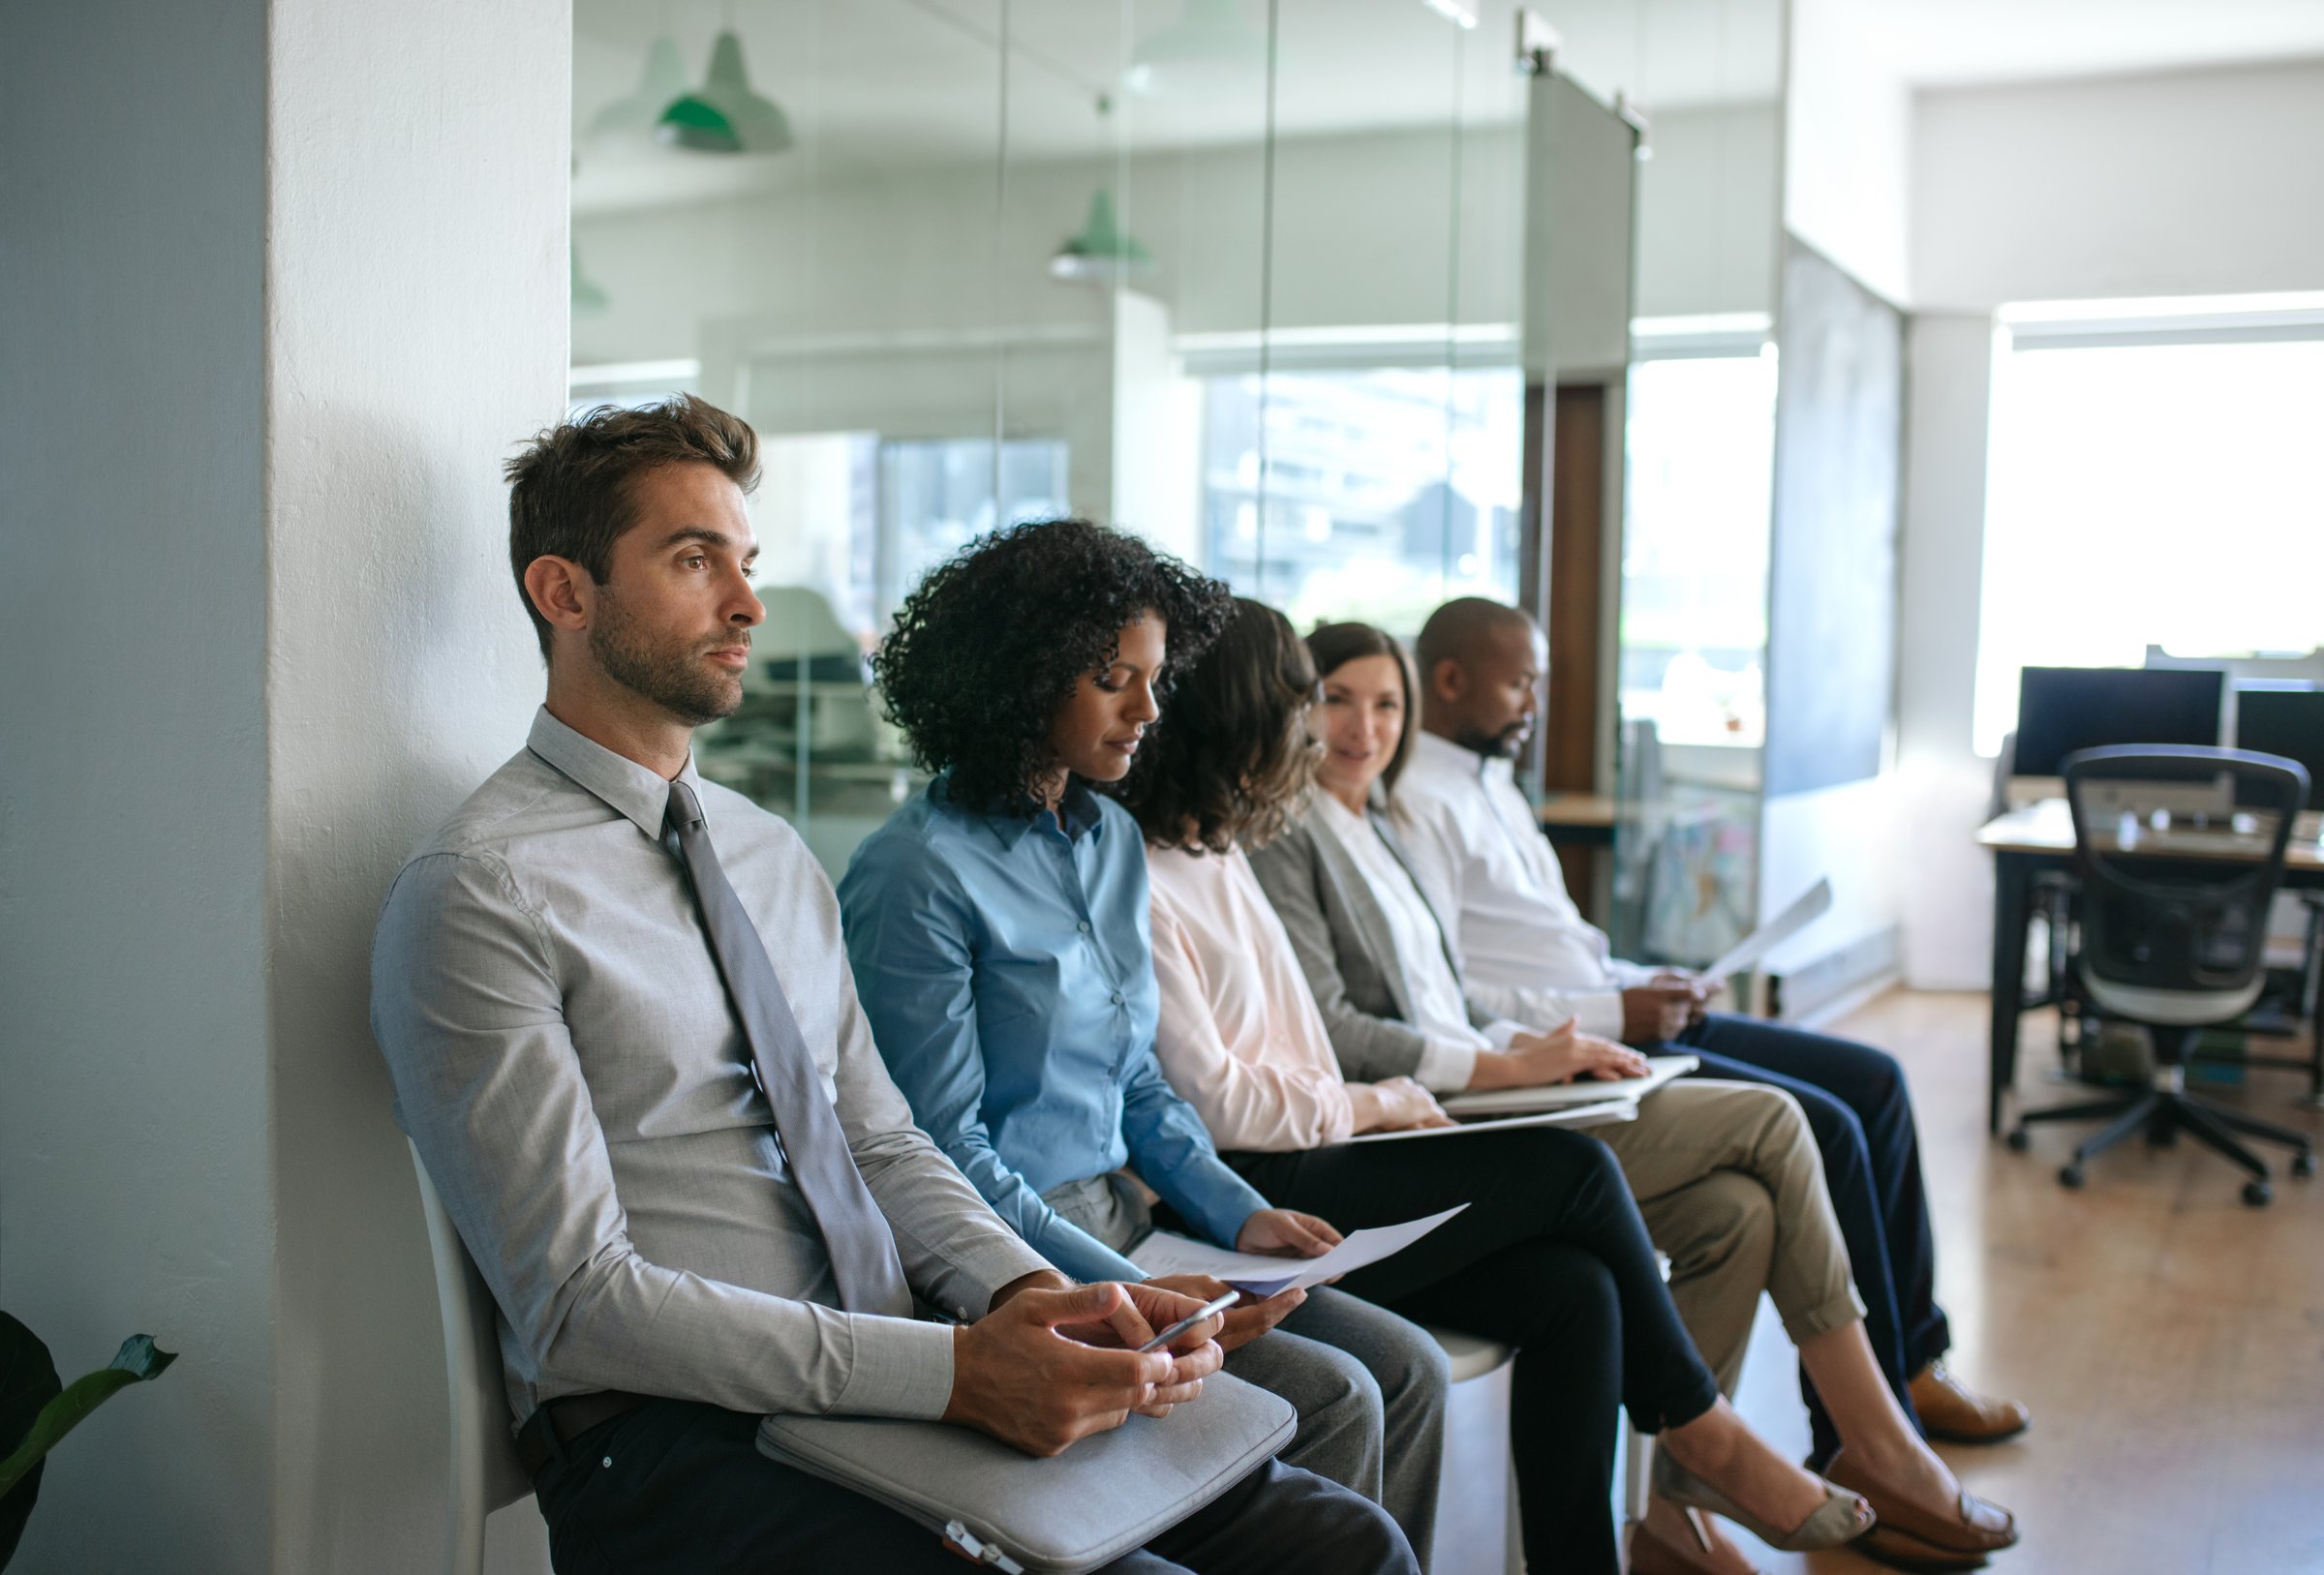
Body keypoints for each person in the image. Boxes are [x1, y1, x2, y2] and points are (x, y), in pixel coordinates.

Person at [369, 398, 1418, 1575]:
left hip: (891, 1367)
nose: (749, 605)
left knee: (1345, 1543)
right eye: (693, 559)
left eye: (747, 562)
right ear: (564, 593)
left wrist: (1035, 1294)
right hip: (672, 1442)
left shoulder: (766, 854)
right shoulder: (479, 891)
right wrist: (957, 1373)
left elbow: (881, 1138)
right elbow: (582, 1306)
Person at [1119, 596, 1895, 1575]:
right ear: (1245, 716)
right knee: (1578, 1172)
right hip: (1262, 1185)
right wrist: (1381, 1101)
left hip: (1331, 1138)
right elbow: (1222, 1103)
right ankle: (1704, 1433)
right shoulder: (1143, 872)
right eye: (1307, 702)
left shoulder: (1223, 849)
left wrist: (1436, 1082)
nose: (1324, 731)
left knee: (1581, 1293)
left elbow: (1308, 1040)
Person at [839, 519, 1451, 1565]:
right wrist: (1131, 1290)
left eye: (1156, 678)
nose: (1149, 710)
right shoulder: (916, 873)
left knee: (1409, 1367)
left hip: (1135, 1221)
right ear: (1024, 680)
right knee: (1341, 1396)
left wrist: (1240, 1213)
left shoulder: (1112, 840)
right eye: (1116, 678)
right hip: (1018, 1260)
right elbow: (941, 1153)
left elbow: (1134, 1079)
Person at [1391, 596, 2031, 1471]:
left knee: (1874, 1080)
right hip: (1580, 1044)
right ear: (1452, 680)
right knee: (1827, 1125)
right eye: (1520, 684)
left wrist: (1643, 978)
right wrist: (1622, 1012)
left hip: (1615, 1005)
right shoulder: (1414, 801)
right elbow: (1455, 990)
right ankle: (1855, 1434)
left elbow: (1561, 945)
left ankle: (1913, 1359)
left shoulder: (1491, 782)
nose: (1534, 705)